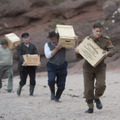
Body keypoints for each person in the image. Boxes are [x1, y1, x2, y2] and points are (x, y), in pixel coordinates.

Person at [75, 22, 115, 113]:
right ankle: (90, 107)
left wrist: (107, 53)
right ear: (92, 30)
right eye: (96, 31)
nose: (98, 33)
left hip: (100, 67)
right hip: (88, 68)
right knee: (88, 89)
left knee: (101, 85)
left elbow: (112, 49)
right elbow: (79, 56)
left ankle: (97, 98)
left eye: (100, 31)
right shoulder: (87, 40)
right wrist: (77, 52)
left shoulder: (105, 40)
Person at [44, 31, 69, 102]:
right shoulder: (47, 45)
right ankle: (52, 92)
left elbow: (73, 46)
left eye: (55, 39)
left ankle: (57, 98)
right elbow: (48, 55)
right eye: (52, 39)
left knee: (61, 85)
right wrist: (57, 48)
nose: (54, 41)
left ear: (58, 38)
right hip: (52, 65)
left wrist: (75, 40)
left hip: (62, 66)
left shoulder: (63, 43)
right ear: (49, 39)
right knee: (51, 81)